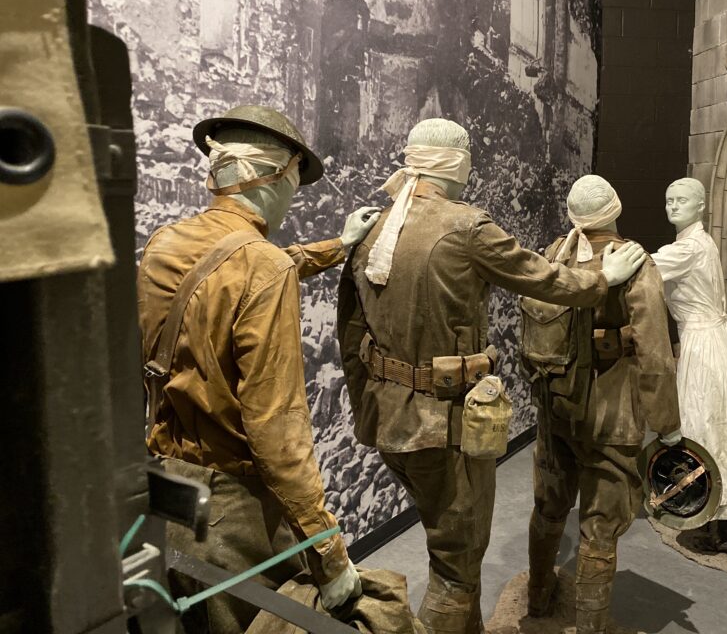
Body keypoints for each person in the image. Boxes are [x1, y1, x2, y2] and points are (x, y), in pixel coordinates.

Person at [336, 118, 646, 634]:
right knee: (456, 565)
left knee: (449, 546)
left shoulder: (373, 227)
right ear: (456, 165)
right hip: (446, 426)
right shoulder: (466, 227)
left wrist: (364, 405)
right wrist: (602, 279)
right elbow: (541, 276)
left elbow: (351, 331)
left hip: (389, 419)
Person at [137, 105, 380, 633]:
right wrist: (329, 551)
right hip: (233, 515)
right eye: (295, 182)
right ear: (273, 178)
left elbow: (234, 273)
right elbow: (279, 434)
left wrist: (337, 247)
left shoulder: (164, 244)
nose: (294, 198)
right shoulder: (262, 268)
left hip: (164, 489)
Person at [524, 175, 681, 634]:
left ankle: (537, 599)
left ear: (574, 217)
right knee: (600, 523)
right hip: (612, 412)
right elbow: (655, 352)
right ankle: (590, 625)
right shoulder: (633, 261)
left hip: (555, 407)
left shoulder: (553, 256)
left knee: (549, 507)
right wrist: (667, 425)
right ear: (614, 210)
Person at [650, 177, 727, 556]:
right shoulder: (694, 243)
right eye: (669, 200)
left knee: (707, 428)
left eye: (681, 201)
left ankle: (721, 527)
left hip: (705, 345)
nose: (673, 207)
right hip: (711, 341)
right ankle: (718, 521)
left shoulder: (690, 247)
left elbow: (645, 268)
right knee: (713, 426)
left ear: (700, 206)